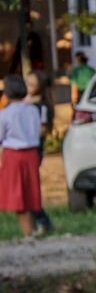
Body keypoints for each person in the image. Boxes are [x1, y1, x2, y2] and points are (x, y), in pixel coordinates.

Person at [0, 75, 44, 239]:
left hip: (14, 154)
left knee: (18, 195)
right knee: (30, 192)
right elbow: (38, 130)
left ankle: (27, 233)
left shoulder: (5, 114)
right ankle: (32, 229)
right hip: (32, 153)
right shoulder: (33, 110)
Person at [23, 73, 53, 235]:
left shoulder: (41, 107)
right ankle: (33, 223)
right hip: (23, 150)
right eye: (26, 83)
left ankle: (42, 221)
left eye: (31, 84)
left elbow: (42, 130)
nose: (27, 87)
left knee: (29, 188)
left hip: (32, 150)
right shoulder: (21, 103)